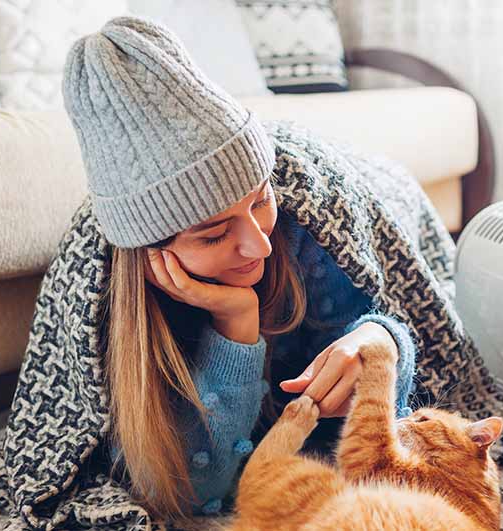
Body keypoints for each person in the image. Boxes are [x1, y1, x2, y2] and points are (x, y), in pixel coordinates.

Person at [61, 16, 417, 523]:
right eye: (212, 233)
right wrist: (236, 326)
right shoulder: (104, 298)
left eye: (261, 201)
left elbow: (391, 315)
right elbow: (194, 492)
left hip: (391, 189)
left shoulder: (302, 226)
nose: (259, 244)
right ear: (150, 253)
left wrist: (380, 345)